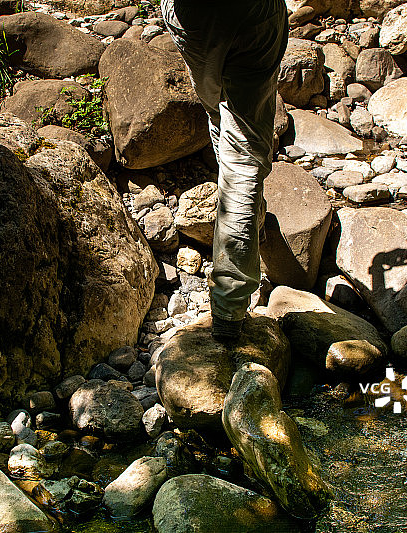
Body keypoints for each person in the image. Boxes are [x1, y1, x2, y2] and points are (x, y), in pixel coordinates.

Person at [162, 0, 289, 341]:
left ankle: (250, 218)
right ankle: (229, 309)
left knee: (220, 112)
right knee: (244, 155)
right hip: (251, 14)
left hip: (194, 19)